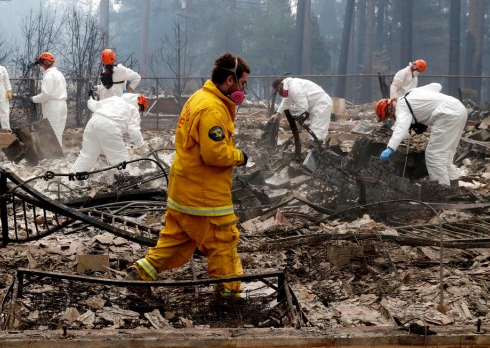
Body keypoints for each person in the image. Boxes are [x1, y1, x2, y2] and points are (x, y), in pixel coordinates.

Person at [125, 52, 250, 298]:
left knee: (176, 242)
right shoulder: (213, 109)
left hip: (183, 192)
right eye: (242, 84)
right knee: (223, 243)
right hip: (205, 197)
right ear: (229, 81)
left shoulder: (198, 98)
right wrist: (239, 156)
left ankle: (140, 274)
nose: (244, 90)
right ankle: (229, 297)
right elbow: (214, 154)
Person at [375, 83, 467, 186]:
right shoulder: (411, 93)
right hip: (459, 109)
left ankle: (442, 190)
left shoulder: (402, 110)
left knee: (434, 155)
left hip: (447, 114)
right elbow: (437, 86)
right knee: (446, 156)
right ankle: (454, 187)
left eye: (389, 117)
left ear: (389, 111)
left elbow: (400, 129)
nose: (392, 118)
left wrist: (390, 148)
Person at [71, 93, 148, 173]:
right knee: (120, 160)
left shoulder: (114, 99)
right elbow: (134, 131)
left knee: (87, 156)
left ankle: (72, 178)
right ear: (139, 105)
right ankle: (126, 180)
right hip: (110, 126)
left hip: (93, 123)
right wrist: (142, 146)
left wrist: (90, 98)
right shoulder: (133, 109)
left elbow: (93, 105)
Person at [272, 77, 333, 142]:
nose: (279, 91)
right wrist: (278, 114)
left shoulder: (294, 88)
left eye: (278, 89)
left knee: (318, 131)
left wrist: (298, 121)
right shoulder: (290, 86)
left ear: (281, 84)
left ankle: (317, 149)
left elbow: (303, 107)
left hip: (322, 104)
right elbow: (286, 101)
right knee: (315, 130)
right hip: (316, 106)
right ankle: (317, 148)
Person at [31, 52, 68, 148]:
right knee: (58, 132)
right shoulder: (59, 74)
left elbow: (46, 94)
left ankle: (53, 155)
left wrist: (33, 99)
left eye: (41, 64)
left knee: (51, 131)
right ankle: (58, 153)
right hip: (62, 104)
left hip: (53, 106)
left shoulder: (48, 76)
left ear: (45, 63)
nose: (40, 66)